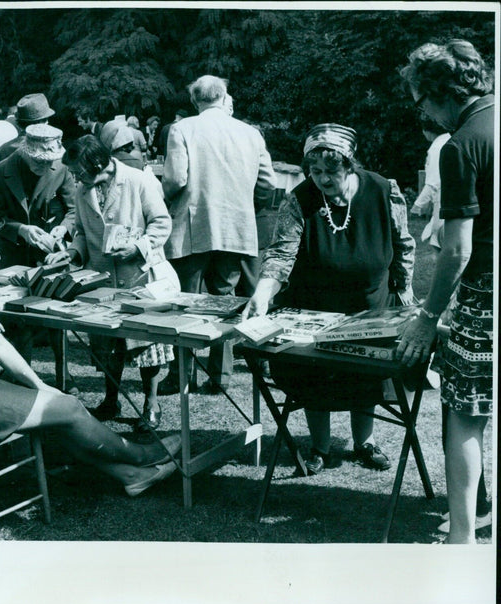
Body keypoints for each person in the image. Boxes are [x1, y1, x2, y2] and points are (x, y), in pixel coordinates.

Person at [0, 202, 181, 497]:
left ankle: (130, 474)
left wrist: (39, 385)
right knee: (69, 408)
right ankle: (140, 456)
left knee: (57, 406)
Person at [242, 123, 416, 476]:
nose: (322, 178)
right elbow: (280, 255)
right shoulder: (300, 199)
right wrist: (262, 295)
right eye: (315, 171)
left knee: (366, 377)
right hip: (314, 303)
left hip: (371, 302)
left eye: (330, 171)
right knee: (314, 377)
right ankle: (319, 446)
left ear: (349, 165)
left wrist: (406, 292)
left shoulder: (385, 191)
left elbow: (404, 246)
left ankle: (363, 442)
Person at [398, 40, 494, 543]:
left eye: (421, 102)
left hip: (487, 294)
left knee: (465, 413)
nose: (425, 114)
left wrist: (427, 314)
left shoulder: (461, 145)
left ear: (438, 93)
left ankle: (463, 537)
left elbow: (457, 251)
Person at [46, 135, 175, 433]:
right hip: (102, 282)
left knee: (145, 344)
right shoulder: (82, 191)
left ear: (99, 163)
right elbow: (80, 231)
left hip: (140, 277)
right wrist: (71, 252)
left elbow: (162, 222)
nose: (76, 178)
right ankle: (111, 399)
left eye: (79, 171)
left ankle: (151, 403)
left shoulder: (138, 181)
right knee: (106, 344)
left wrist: (139, 247)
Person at [159, 75, 276, 395]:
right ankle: (220, 375)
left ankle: (181, 374)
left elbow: (175, 179)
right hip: (236, 226)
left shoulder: (182, 129)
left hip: (193, 226)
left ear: (195, 101)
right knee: (225, 300)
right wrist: (245, 206)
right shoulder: (250, 133)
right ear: (224, 97)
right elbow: (267, 183)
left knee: (185, 302)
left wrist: (167, 198)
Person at [0, 124, 77, 392]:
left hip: (52, 255)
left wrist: (65, 227)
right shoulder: (1, 171)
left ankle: (64, 376)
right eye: (39, 161)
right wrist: (21, 230)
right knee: (17, 322)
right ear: (25, 150)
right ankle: (23, 380)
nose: (44, 165)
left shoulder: (61, 168)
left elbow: (73, 210)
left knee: (57, 319)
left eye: (49, 160)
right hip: (14, 256)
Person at [410, 117, 451, 251]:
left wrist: (417, 206)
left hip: (443, 200)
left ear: (426, 131)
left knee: (438, 242)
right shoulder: (450, 139)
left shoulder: (437, 147)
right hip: (452, 199)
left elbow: (433, 182)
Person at [0, 93, 56, 166]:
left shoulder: (3, 150)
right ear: (40, 124)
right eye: (46, 120)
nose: (48, 122)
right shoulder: (53, 152)